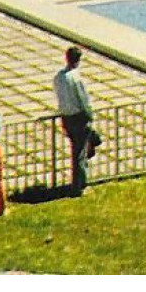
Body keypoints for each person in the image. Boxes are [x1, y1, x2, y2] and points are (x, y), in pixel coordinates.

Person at [53, 47, 96, 196]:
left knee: (75, 150)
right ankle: (79, 186)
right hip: (78, 117)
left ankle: (77, 182)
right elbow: (83, 100)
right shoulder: (76, 78)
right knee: (80, 153)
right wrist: (90, 115)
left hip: (66, 117)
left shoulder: (58, 77)